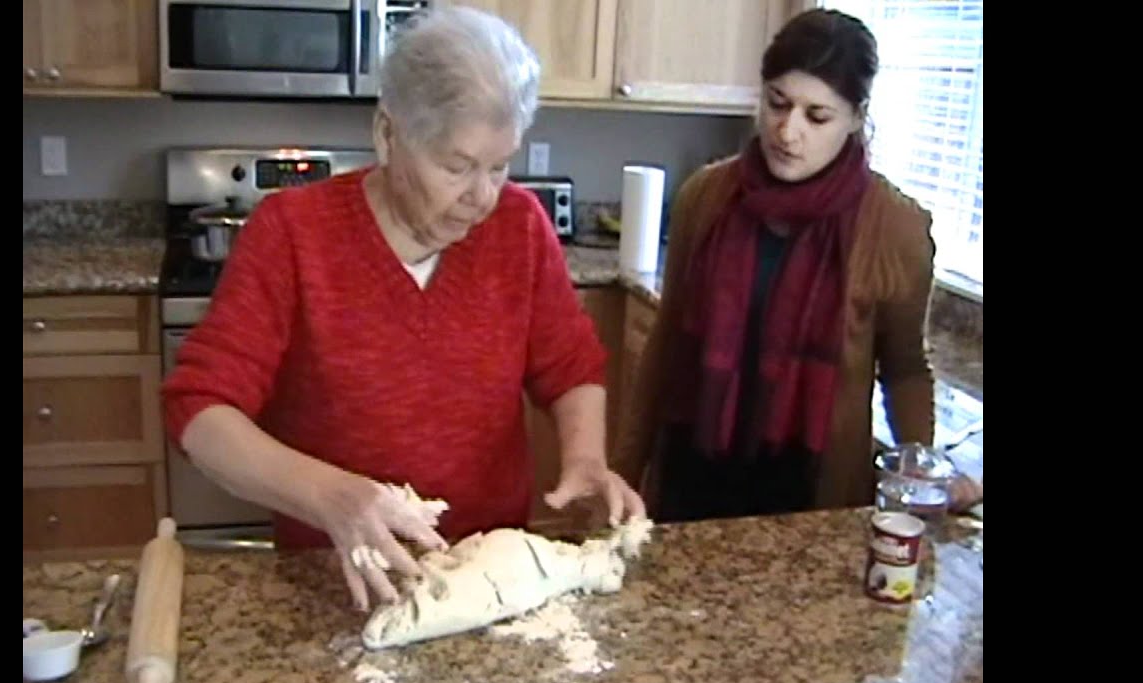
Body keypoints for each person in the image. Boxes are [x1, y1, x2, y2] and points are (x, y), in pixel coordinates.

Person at [160, 6, 645, 613]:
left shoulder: (519, 226)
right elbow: (200, 411)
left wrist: (586, 459)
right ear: (388, 134)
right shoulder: (292, 234)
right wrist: (329, 496)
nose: (482, 197)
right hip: (340, 580)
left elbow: (570, 368)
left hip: (487, 577)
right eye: (456, 166)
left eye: (499, 166)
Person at [611, 8, 982, 522]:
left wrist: (922, 470)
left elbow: (904, 370)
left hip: (811, 495)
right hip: (690, 477)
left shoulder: (895, 228)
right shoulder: (705, 198)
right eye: (777, 103)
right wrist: (623, 469)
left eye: (817, 116)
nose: (788, 131)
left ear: (856, 118)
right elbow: (666, 343)